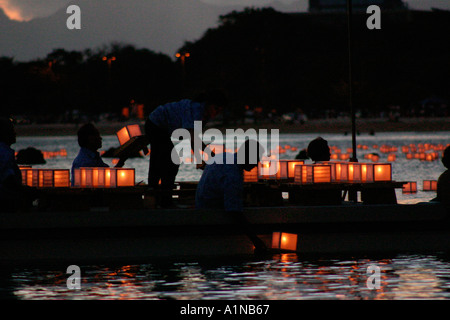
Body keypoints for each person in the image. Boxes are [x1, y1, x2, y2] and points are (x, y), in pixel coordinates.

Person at [145, 89, 227, 207]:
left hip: (161, 127)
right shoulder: (197, 110)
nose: (217, 113)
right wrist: (209, 156)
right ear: (209, 105)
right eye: (216, 109)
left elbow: (193, 139)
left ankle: (158, 196)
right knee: (170, 161)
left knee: (162, 159)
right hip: (156, 125)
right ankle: (163, 199)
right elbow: (192, 138)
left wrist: (200, 160)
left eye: (220, 111)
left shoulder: (205, 114)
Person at [195, 139, 267, 252]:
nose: (257, 163)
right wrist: (256, 240)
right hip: (211, 212)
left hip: (202, 205)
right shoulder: (233, 174)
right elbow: (233, 211)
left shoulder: (224, 157)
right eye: (256, 159)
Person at [0, 117, 34, 212]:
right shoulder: (3, 153)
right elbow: (8, 181)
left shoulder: (5, 152)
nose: (15, 133)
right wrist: (28, 191)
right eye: (11, 130)